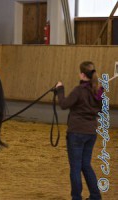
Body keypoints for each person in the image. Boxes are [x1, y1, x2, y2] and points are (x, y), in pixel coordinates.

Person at [55, 61, 102, 200]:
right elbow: (100, 109)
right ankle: (95, 195)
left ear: (82, 74)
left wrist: (60, 89)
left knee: (75, 167)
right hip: (91, 132)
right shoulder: (99, 91)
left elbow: (64, 104)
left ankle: (76, 197)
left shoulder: (78, 91)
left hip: (76, 132)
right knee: (86, 165)